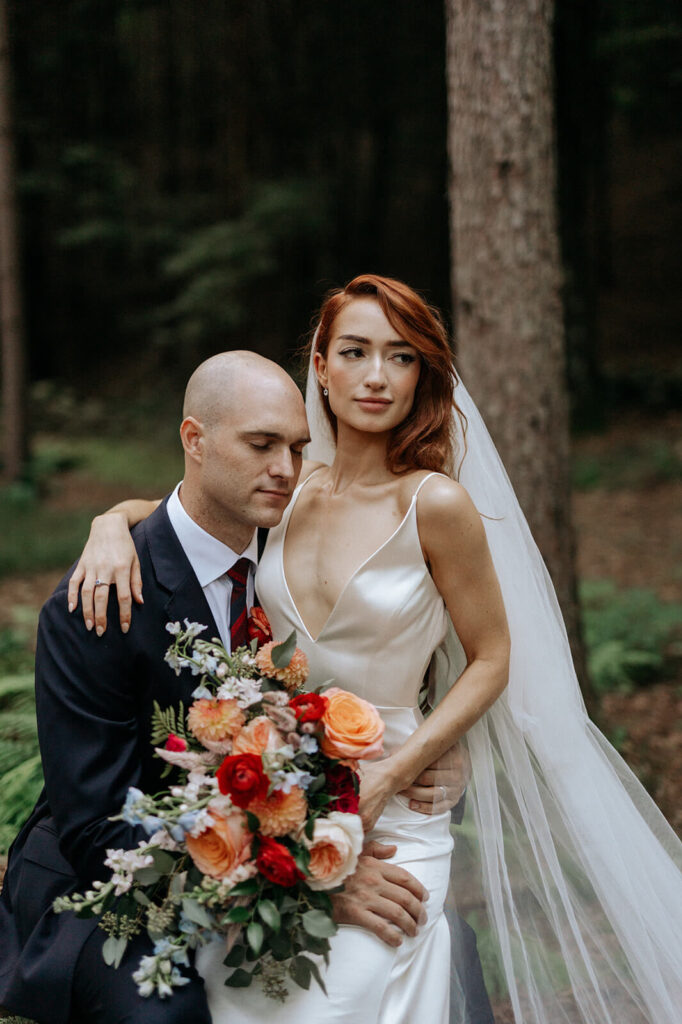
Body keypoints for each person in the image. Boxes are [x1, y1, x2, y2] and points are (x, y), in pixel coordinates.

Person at [66, 274, 682, 1024]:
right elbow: (184, 509)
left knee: (338, 999)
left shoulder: (434, 504)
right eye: (354, 352)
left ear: (422, 374)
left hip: (397, 808)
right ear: (319, 368)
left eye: (400, 357)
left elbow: (490, 657)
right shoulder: (285, 490)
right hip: (278, 801)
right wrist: (108, 523)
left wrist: (402, 766)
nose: (375, 376)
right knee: (235, 994)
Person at [0, 350, 473, 1024]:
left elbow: (363, 678)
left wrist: (431, 755)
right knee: (168, 1013)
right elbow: (98, 828)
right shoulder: (103, 599)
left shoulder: (284, 561)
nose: (284, 468)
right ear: (194, 440)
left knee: (437, 953)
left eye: (296, 447)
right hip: (110, 883)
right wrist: (307, 881)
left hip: (271, 848)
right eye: (260, 445)